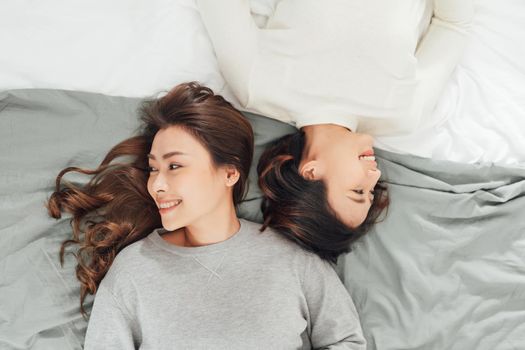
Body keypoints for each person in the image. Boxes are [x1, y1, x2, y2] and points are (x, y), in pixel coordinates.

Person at [46, 82, 366, 349]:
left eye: (174, 166)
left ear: (229, 173)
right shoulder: (132, 272)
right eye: (154, 168)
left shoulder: (294, 259)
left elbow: (346, 340)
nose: (156, 183)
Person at [197, 0, 473, 260]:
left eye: (357, 190)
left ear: (311, 172)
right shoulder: (404, 114)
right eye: (371, 192)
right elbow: (453, 26)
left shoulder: (257, 86)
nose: (374, 176)